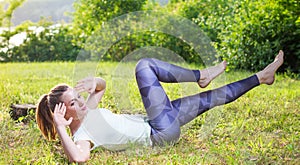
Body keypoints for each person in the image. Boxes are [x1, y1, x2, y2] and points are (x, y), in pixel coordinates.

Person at [36, 50, 284, 163]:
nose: (80, 101)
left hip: (157, 122)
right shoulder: (82, 135)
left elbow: (101, 88)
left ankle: (262, 77)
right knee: (144, 66)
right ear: (63, 113)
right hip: (159, 132)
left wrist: (94, 82)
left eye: (77, 96)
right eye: (73, 102)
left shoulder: (86, 111)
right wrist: (59, 128)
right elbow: (79, 158)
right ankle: (200, 75)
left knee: (212, 98)